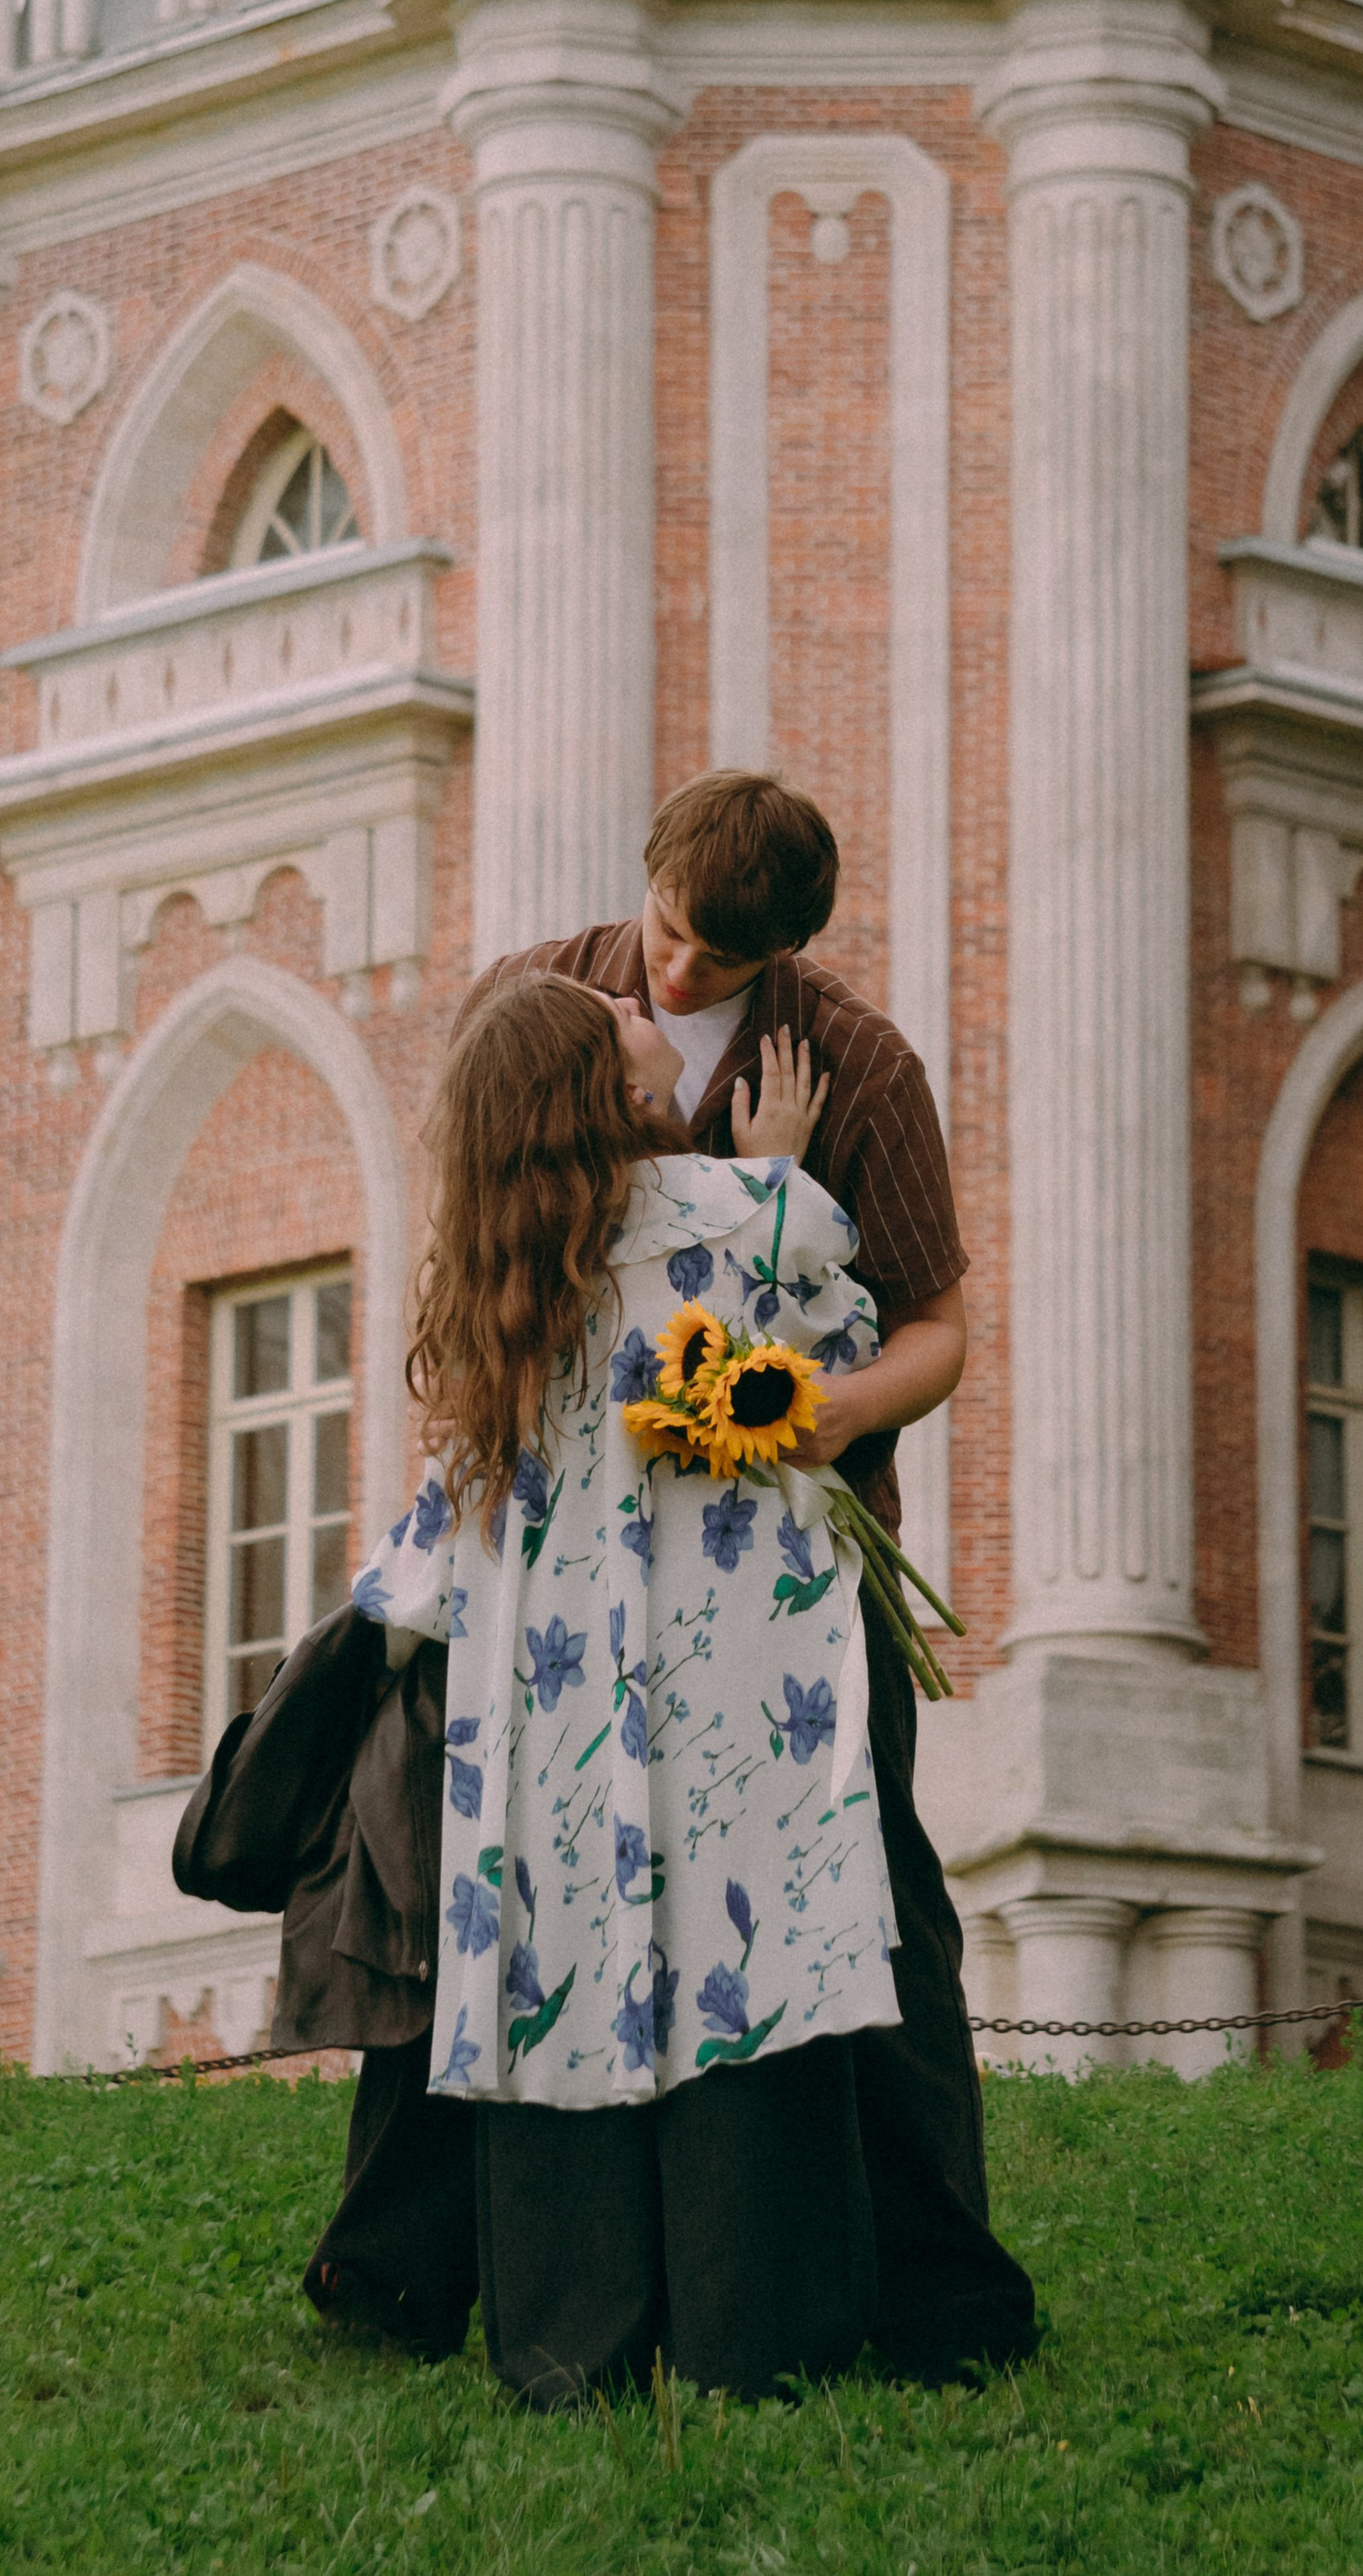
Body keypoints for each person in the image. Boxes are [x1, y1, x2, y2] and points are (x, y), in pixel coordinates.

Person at [306, 772, 1035, 2380]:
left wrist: (811, 1416)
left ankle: (933, 2294)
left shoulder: (858, 1067)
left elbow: (937, 1328)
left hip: (783, 1583)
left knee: (869, 1914)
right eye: (666, 938)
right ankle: (399, 2272)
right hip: (550, 1570)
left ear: (783, 952)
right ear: (643, 887)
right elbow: (477, 1256)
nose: (676, 979)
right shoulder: (536, 999)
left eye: (718, 961)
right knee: (479, 1903)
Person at [350, 971, 898, 2404]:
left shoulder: (496, 1278)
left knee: (561, 1976)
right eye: (628, 1021)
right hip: (731, 1662)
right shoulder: (736, 1214)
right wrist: (772, 1173)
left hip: (547, 1695)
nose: (654, 1014)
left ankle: (566, 2347)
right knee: (746, 1962)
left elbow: (438, 1522)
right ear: (614, 1085)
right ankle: (755, 2336)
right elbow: (836, 1363)